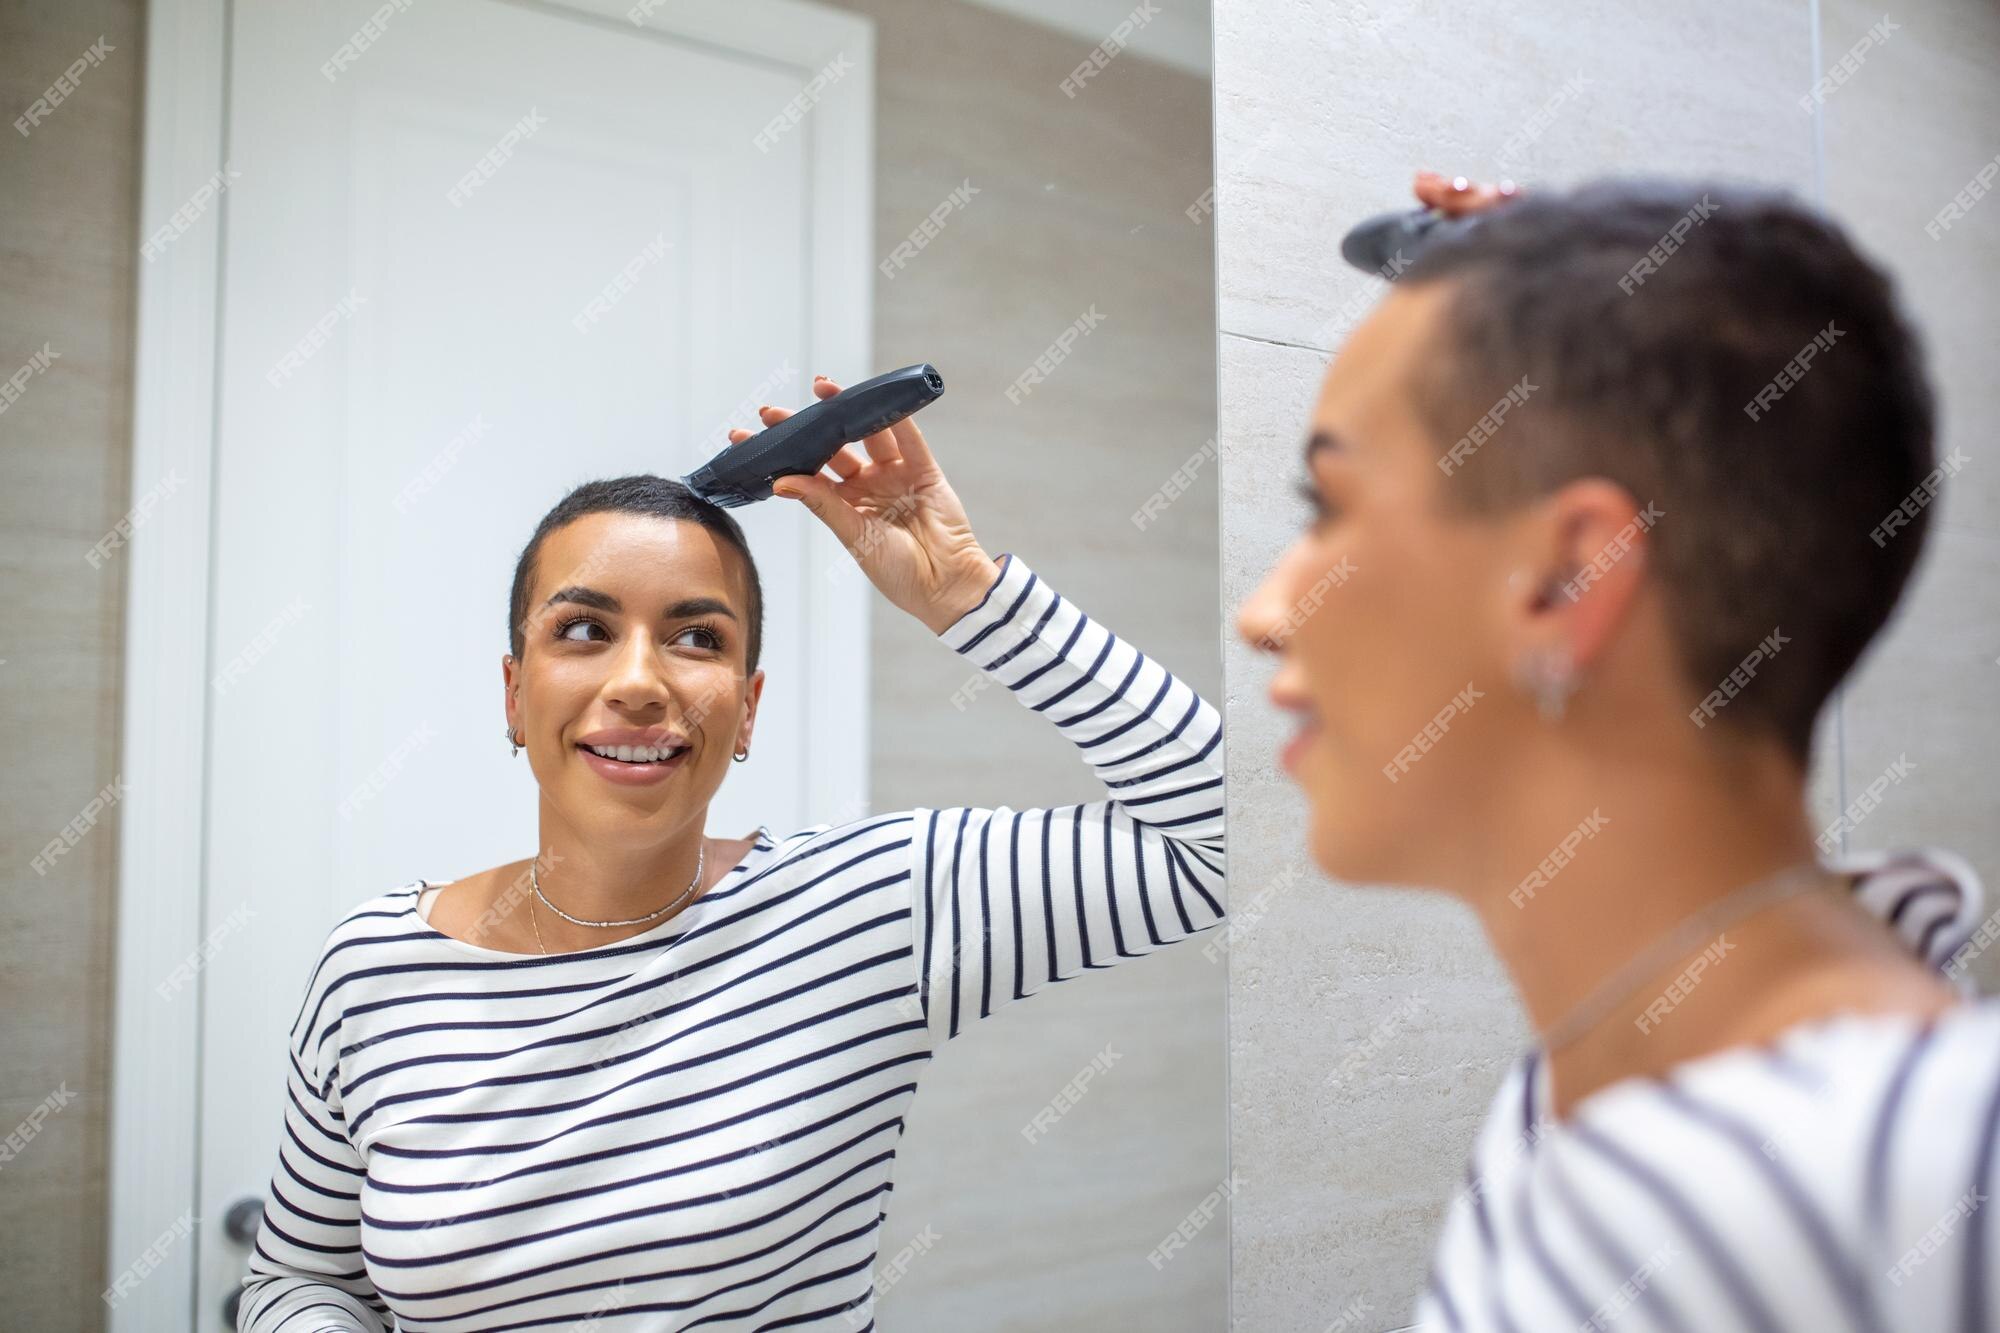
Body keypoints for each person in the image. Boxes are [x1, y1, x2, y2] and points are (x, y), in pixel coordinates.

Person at [236, 376, 1225, 1330]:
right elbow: (298, 1275)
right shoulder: (371, 969)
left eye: (695, 639)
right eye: (582, 629)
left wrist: (965, 591)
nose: (637, 682)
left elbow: (1229, 836)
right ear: (512, 692)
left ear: (745, 710)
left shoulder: (870, 912)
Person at [1237, 170, 1996, 1331]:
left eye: (1326, 507)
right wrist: (1602, 309)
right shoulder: (1581, 1091)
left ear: (1566, 576)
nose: (1265, 611)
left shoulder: (1918, 1167)